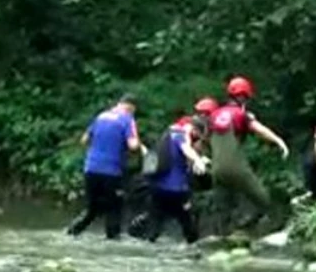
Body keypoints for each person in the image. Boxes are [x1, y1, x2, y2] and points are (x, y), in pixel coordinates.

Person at [207, 76, 289, 231]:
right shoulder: (241, 114)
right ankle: (264, 227)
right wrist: (279, 141)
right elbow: (260, 130)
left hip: (217, 169)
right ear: (243, 97)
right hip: (236, 168)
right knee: (262, 198)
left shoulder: (214, 115)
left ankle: (221, 237)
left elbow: (206, 139)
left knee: (223, 207)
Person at [67, 95, 147, 239]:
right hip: (111, 172)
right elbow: (133, 145)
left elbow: (84, 140)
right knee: (114, 208)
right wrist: (141, 146)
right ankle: (112, 243)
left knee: (92, 209)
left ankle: (71, 233)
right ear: (131, 108)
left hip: (91, 169)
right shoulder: (127, 120)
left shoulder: (101, 116)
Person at [146, 111, 212, 243]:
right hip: (177, 190)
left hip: (157, 187)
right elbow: (186, 150)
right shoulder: (181, 136)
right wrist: (198, 161)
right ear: (194, 129)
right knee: (188, 224)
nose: (198, 139)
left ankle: (149, 247)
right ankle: (193, 248)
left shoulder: (168, 134)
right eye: (199, 135)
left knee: (155, 227)